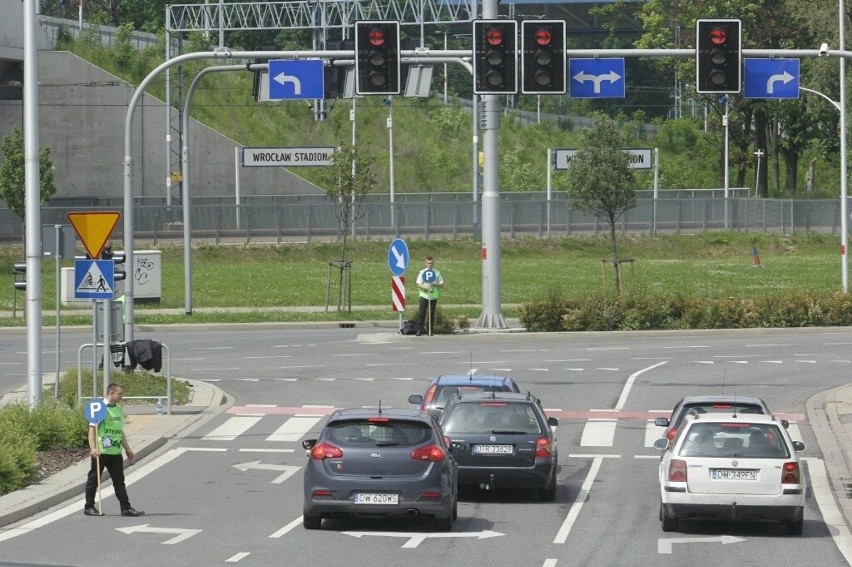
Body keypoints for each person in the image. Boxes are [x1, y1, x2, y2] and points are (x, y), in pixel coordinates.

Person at [84, 382, 144, 517]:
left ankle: (126, 508)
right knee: (94, 479)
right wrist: (93, 448)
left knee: (119, 481)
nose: (121, 396)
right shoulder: (99, 407)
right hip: (102, 451)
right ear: (111, 393)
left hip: (115, 451)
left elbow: (119, 431)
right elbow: (92, 429)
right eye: (120, 393)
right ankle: (89, 506)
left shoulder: (118, 408)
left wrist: (127, 449)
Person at [415, 256, 444, 336]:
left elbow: (442, 284)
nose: (430, 265)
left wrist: (435, 284)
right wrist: (425, 287)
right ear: (425, 263)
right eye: (428, 263)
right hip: (424, 295)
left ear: (433, 263)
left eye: (431, 263)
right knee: (422, 313)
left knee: (431, 313)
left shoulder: (437, 273)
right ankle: (419, 329)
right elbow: (418, 284)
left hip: (433, 296)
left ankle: (430, 330)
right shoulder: (422, 272)